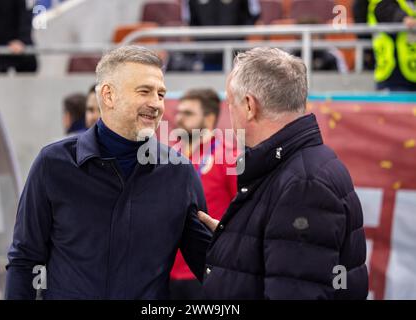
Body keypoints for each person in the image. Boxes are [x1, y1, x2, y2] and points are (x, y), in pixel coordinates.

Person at [5, 45, 212, 300]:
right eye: (144, 91)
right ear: (108, 95)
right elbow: (24, 259)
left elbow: (210, 267)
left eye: (160, 94)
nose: (156, 104)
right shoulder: (53, 164)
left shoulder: (179, 173)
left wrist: (231, 242)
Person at [198, 47, 369, 299]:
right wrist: (234, 241)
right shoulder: (295, 167)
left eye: (229, 102)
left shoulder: (303, 184)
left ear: (248, 105)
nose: (228, 112)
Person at [170, 89, 237, 299]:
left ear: (208, 118)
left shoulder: (230, 157)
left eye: (188, 113)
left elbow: (244, 213)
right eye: (179, 112)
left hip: (208, 269)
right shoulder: (169, 155)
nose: (179, 118)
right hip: (168, 269)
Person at [368, 0, 416, 91]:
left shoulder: (410, 3)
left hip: (412, 74)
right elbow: (392, 13)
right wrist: (406, 19)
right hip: (392, 76)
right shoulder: (381, 3)